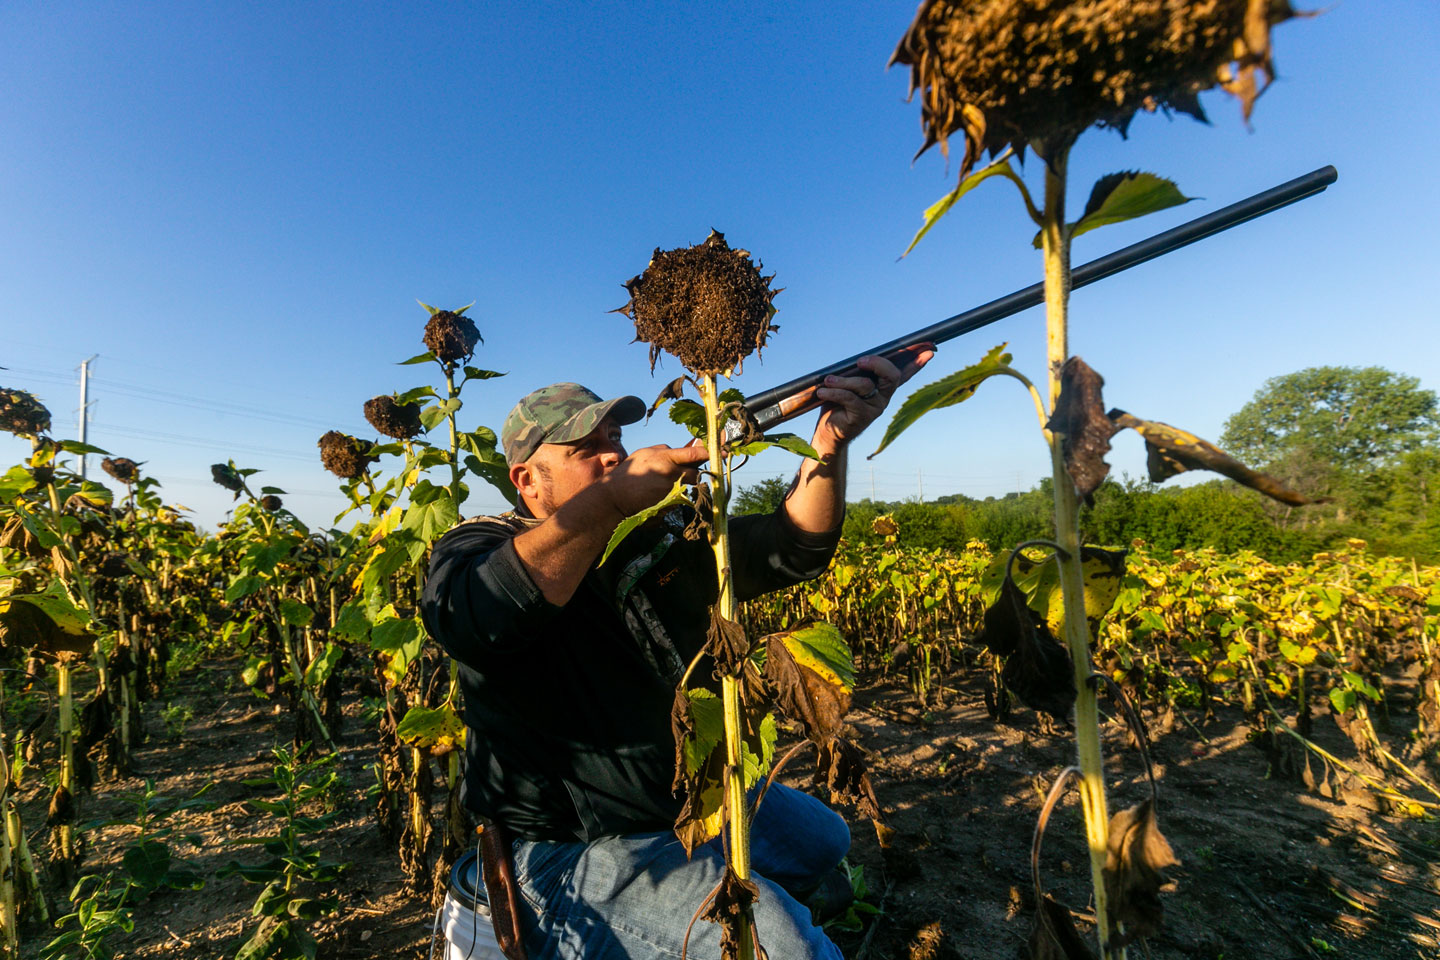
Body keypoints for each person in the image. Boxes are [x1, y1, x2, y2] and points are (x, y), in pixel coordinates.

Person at [421, 353, 928, 960]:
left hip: (685, 804)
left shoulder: (654, 538)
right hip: (568, 851)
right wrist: (608, 502)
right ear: (527, 480)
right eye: (585, 449)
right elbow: (477, 616)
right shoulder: (481, 543)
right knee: (792, 947)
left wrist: (828, 442)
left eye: (614, 438)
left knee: (824, 842)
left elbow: (794, 549)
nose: (613, 455)